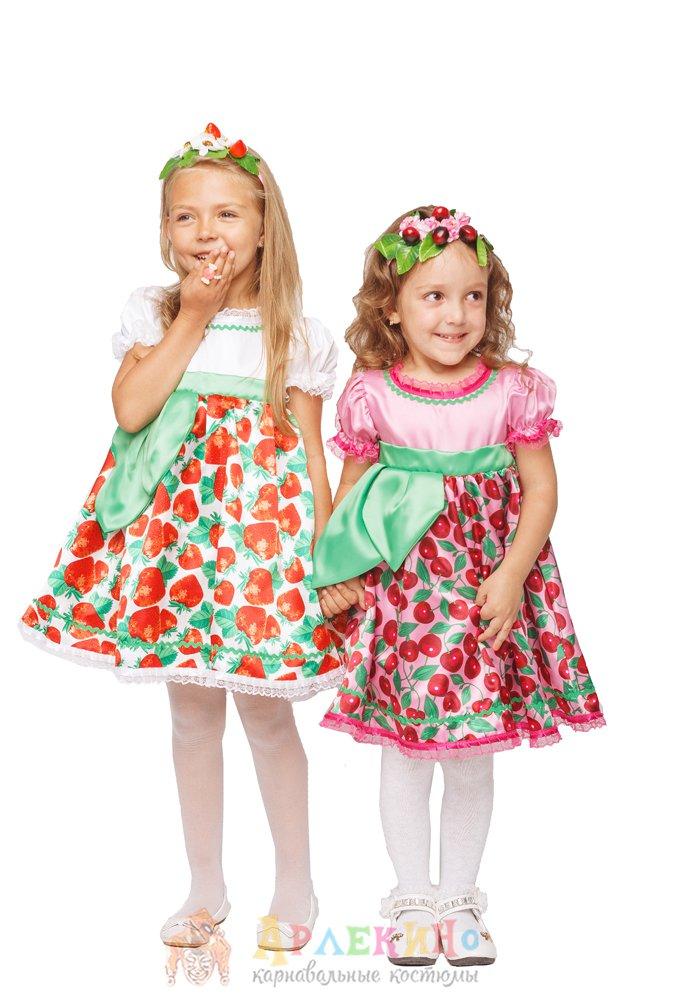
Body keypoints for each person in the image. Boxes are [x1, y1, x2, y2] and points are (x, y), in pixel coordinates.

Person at [19, 123, 344, 952]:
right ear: (165, 230)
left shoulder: (294, 333)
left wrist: (328, 556)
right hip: (178, 552)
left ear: (265, 226)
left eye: (228, 214)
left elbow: (312, 453)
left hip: (261, 550)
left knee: (267, 717)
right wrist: (193, 316)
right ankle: (205, 886)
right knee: (192, 717)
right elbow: (132, 410)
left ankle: (296, 881)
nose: (207, 233)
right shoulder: (154, 313)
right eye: (186, 216)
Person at [311, 205, 606, 966]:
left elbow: (540, 490)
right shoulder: (373, 394)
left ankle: (460, 896)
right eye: (434, 296)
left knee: (473, 751)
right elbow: (352, 496)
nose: (457, 314)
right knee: (407, 750)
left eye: (473, 296)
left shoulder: (513, 391)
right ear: (391, 307)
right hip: (407, 598)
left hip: (483, 595)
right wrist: (337, 574)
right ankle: (412, 896)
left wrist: (511, 576)